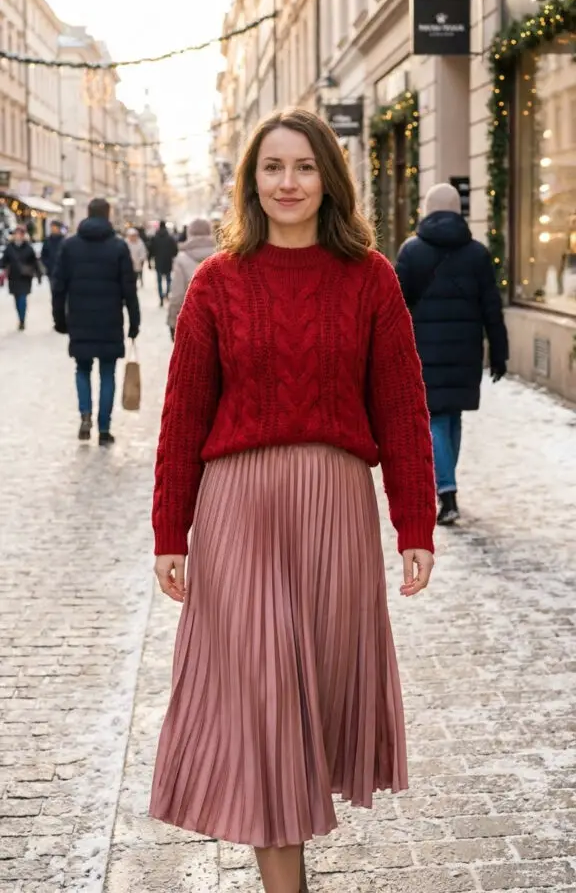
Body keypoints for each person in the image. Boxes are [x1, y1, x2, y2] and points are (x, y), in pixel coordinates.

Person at [149, 108, 436, 893]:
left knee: (313, 691)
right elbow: (183, 414)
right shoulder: (217, 282)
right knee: (263, 700)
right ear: (251, 182)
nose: (287, 182)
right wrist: (169, 530)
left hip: (335, 509)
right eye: (272, 168)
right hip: (238, 511)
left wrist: (415, 521)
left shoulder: (370, 279)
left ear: (328, 180)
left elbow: (404, 407)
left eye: (304, 167)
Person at [396, 182, 508, 526]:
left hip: (424, 351)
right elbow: (492, 307)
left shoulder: (411, 251)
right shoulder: (477, 253)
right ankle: (447, 487)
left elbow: (396, 307)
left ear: (427, 210)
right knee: (451, 418)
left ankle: (446, 492)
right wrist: (499, 352)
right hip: (465, 352)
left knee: (436, 419)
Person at [52, 197, 140, 446]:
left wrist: (60, 319)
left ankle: (85, 415)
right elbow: (129, 289)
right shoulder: (118, 247)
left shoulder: (70, 247)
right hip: (110, 320)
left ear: (87, 214)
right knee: (108, 373)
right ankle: (103, 428)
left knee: (82, 369)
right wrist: (134, 322)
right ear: (108, 214)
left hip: (79, 319)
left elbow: (58, 287)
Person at [166, 217, 215, 341]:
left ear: (189, 233)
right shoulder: (223, 256)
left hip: (191, 321)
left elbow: (177, 295)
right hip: (219, 323)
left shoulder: (181, 259)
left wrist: (172, 321)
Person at [0, 225, 42, 330]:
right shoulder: (9, 248)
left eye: (20, 234)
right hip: (13, 277)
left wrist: (39, 275)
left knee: (22, 299)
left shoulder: (28, 248)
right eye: (16, 234)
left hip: (25, 277)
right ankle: (20, 317)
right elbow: (4, 261)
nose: (18, 236)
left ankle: (22, 320)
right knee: (16, 299)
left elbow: (35, 262)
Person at [149, 221, 177, 307]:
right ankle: (167, 293)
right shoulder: (170, 238)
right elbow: (175, 251)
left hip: (158, 262)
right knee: (168, 279)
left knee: (159, 281)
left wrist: (150, 261)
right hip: (168, 261)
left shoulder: (154, 238)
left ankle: (161, 297)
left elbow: (151, 251)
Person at [41, 220, 65, 286]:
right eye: (52, 227)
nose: (53, 229)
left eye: (55, 228)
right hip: (51, 271)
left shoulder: (64, 241)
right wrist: (48, 264)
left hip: (62, 272)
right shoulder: (47, 241)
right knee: (53, 290)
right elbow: (43, 255)